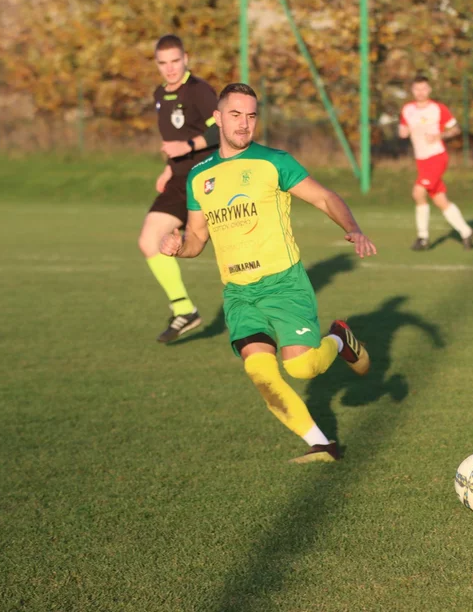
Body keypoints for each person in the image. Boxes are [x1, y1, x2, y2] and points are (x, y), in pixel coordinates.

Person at [161, 82, 377, 463]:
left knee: (302, 367)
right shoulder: (199, 177)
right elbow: (197, 238)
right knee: (261, 373)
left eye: (251, 116)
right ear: (217, 118)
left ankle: (340, 341)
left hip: (284, 284)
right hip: (239, 294)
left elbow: (324, 196)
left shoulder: (274, 162)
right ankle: (322, 444)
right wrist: (178, 247)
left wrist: (353, 228)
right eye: (235, 115)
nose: (245, 124)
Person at [138, 35, 219, 343]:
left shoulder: (199, 91)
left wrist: (187, 146)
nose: (170, 68)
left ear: (186, 58)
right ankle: (184, 309)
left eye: (175, 61)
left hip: (205, 180)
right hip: (178, 180)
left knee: (229, 251)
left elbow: (218, 128)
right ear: (157, 64)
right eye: (163, 63)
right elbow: (173, 137)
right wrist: (169, 167)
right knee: (149, 241)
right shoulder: (160, 93)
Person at [399, 75, 473, 251]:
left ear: (429, 89)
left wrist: (440, 135)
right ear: (412, 90)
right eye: (417, 89)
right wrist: (403, 131)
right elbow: (403, 128)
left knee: (418, 192)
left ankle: (423, 238)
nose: (420, 92)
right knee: (440, 199)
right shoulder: (407, 109)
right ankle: (466, 231)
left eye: (424, 88)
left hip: (436, 157)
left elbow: (455, 129)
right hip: (421, 159)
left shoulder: (438, 108)